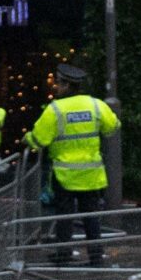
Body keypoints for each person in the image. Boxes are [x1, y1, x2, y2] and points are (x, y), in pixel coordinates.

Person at [27, 65, 122, 266]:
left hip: (65, 175)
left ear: (67, 85)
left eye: (59, 83)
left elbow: (39, 139)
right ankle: (96, 257)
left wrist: (27, 139)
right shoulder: (95, 105)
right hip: (91, 174)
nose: (56, 87)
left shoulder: (55, 110)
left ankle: (64, 255)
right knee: (91, 217)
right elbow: (113, 126)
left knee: (64, 217)